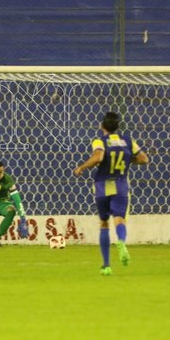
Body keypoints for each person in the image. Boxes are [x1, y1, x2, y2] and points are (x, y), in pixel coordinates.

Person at [73, 112, 149, 275]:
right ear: (117, 127)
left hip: (102, 185)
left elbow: (98, 156)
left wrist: (82, 167)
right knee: (119, 220)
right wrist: (128, 160)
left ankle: (106, 265)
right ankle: (121, 241)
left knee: (104, 223)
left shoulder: (100, 141)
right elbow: (144, 159)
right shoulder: (128, 141)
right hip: (121, 185)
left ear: (102, 126)